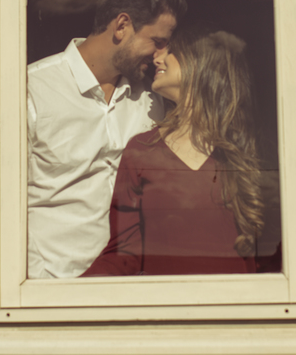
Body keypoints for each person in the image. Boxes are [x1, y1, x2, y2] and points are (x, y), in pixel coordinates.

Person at [27, 0, 187, 278]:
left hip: (133, 284)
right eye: (158, 41)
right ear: (122, 26)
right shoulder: (32, 89)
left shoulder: (153, 100)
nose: (159, 55)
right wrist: (40, 284)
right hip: (55, 285)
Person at [83, 26, 264, 276]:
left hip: (238, 299)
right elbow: (124, 253)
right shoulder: (140, 151)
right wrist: (68, 293)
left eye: (171, 51)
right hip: (169, 300)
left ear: (200, 62)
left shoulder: (241, 150)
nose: (156, 58)